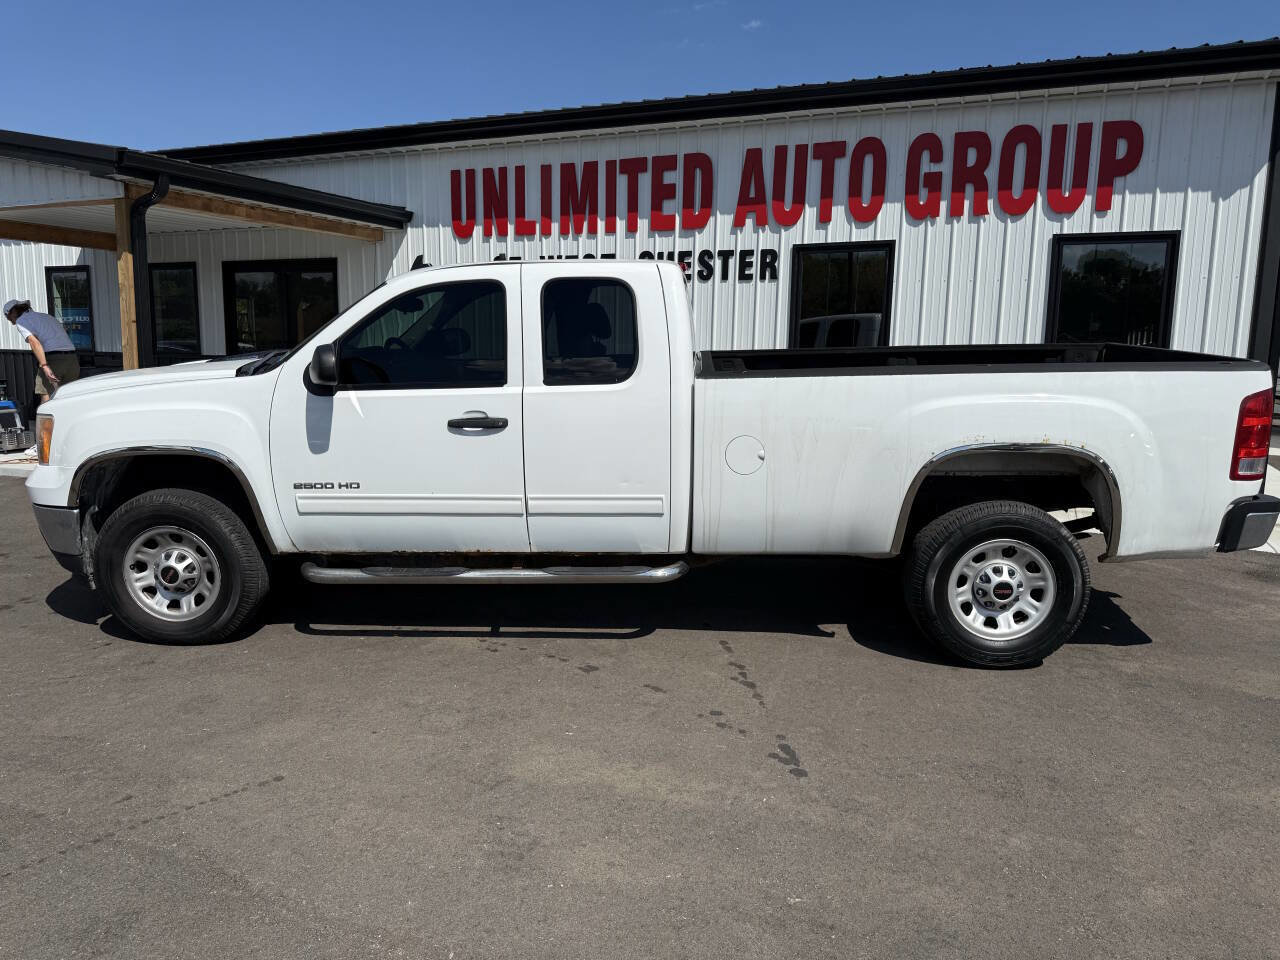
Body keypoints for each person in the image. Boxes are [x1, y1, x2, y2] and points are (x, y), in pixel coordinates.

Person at [4, 298, 80, 402]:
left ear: (13, 312)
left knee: (46, 395)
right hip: (72, 359)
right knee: (68, 397)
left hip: (54, 359)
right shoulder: (47, 317)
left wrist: (44, 366)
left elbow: (34, 343)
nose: (12, 322)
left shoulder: (21, 321)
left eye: (9, 318)